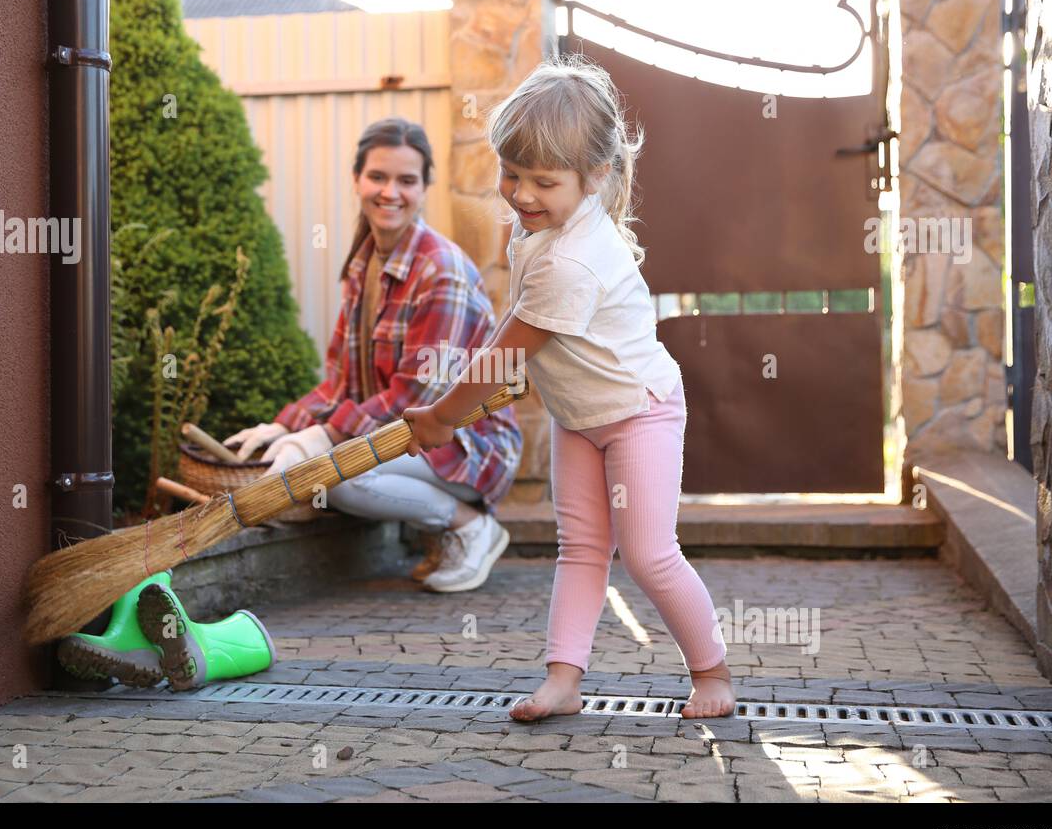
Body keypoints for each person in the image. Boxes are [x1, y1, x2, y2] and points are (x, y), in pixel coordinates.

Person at [402, 55, 736, 721]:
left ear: (597, 177)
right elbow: (513, 334)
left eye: (542, 181)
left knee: (646, 552)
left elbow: (506, 357)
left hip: (638, 413)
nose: (521, 194)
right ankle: (563, 680)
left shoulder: (573, 259)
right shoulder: (544, 230)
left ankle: (713, 674)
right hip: (580, 418)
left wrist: (443, 419)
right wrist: (459, 398)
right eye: (512, 174)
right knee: (580, 548)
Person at [226, 117, 523, 593]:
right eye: (378, 177)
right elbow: (340, 382)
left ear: (424, 187)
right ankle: (443, 531)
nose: (391, 192)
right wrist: (285, 424)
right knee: (329, 463)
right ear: (357, 180)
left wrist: (322, 436)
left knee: (340, 477)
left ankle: (470, 526)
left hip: (469, 444)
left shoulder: (439, 269)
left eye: (407, 180)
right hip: (410, 437)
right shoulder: (363, 264)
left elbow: (417, 392)